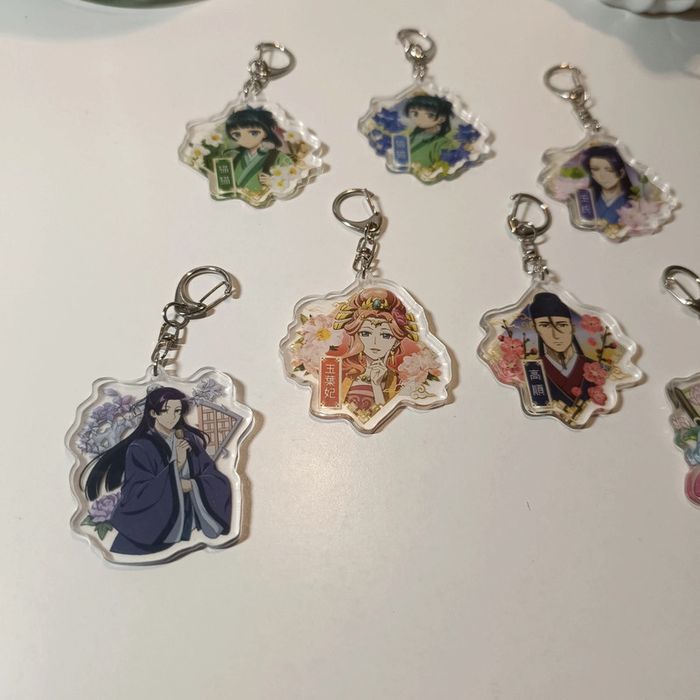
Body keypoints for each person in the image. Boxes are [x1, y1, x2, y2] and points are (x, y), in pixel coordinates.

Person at [83, 387, 232, 555]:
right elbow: (137, 493)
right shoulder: (141, 447)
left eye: (177, 411)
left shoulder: (189, 439)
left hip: (186, 522)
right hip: (153, 528)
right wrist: (177, 466)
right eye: (166, 411)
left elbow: (214, 477)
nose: (173, 416)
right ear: (153, 413)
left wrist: (192, 484)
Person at [330, 289, 419, 418]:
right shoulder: (342, 370)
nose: (375, 342)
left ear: (396, 342)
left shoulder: (400, 380)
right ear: (357, 335)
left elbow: (392, 415)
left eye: (386, 335)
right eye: (366, 333)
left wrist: (377, 386)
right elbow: (329, 403)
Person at [529, 292, 591, 407]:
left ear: (572, 327)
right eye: (545, 325)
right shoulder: (532, 370)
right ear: (536, 329)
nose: (555, 335)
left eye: (562, 325)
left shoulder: (596, 367)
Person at [214, 107, 293, 193]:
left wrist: (273, 181)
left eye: (253, 133)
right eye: (237, 135)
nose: (245, 139)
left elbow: (291, 178)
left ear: (265, 133)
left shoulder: (278, 157)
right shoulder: (236, 156)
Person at [581, 145, 633, 225]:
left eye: (609, 170)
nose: (602, 176)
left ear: (622, 172)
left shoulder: (633, 202)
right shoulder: (588, 199)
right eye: (595, 169)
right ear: (591, 173)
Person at [403, 94, 457, 168]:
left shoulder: (442, 143)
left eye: (430, 115)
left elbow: (447, 165)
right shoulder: (414, 135)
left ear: (442, 119)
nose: (420, 119)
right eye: (415, 113)